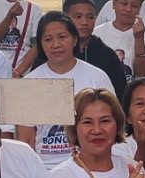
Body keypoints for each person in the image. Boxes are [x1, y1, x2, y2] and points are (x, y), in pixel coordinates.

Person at [20, 12, 116, 167]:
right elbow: (26, 140)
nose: (56, 44)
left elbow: (111, 126)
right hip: (44, 169)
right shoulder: (29, 83)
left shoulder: (97, 77)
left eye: (62, 37)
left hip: (89, 166)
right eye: (48, 39)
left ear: (74, 39)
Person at [92, 0, 145, 87]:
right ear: (114, 4)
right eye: (124, 4)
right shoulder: (97, 33)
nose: (128, 9)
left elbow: (142, 73)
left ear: (140, 8)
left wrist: (139, 38)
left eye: (134, 6)